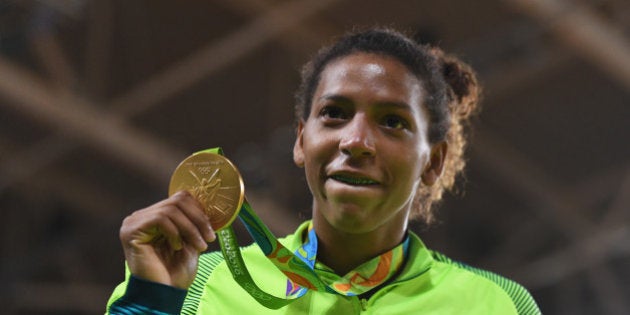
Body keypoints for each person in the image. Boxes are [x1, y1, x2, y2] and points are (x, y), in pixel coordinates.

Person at [105, 27, 541, 314]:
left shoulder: (496, 305)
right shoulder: (197, 283)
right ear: (301, 140)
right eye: (334, 113)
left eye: (393, 122)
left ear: (434, 161)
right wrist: (151, 303)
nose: (355, 141)